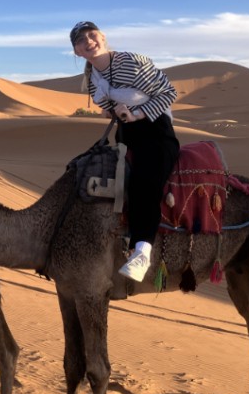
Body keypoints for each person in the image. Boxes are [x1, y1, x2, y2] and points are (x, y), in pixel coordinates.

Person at [69, 21, 179, 282]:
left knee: (144, 183)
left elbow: (168, 93)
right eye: (81, 40)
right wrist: (110, 110)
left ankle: (142, 251)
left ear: (102, 37)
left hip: (155, 130)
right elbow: (108, 105)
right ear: (77, 52)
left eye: (91, 35)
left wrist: (137, 113)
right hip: (125, 133)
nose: (88, 41)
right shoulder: (92, 80)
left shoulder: (131, 62)